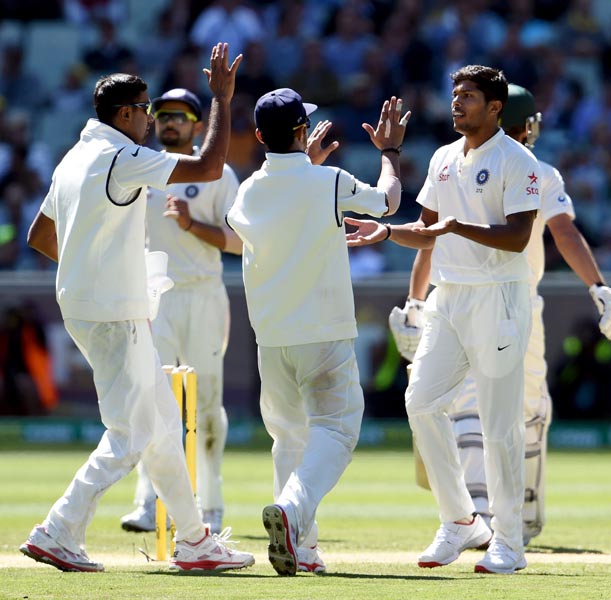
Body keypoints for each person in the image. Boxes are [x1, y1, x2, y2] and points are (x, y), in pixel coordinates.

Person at [20, 43, 254, 573]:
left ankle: (194, 540)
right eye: (146, 109)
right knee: (132, 435)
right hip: (114, 312)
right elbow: (212, 164)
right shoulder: (122, 156)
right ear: (124, 114)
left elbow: (40, 235)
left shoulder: (74, 156)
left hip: (91, 306)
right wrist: (220, 97)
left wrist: (92, 269)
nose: (150, 118)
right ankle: (57, 529)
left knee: (165, 426)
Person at [388, 83, 611, 545]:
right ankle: (475, 516)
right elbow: (429, 235)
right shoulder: (454, 159)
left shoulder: (533, 170)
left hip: (511, 301)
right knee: (456, 406)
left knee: (520, 410)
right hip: (457, 298)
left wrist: (598, 285)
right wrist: (417, 302)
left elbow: (558, 234)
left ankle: (515, 515)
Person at [346, 65, 540, 574]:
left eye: (469, 96)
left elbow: (518, 237)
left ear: (495, 108)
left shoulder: (518, 160)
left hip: (498, 297)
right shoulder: (443, 157)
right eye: (455, 95)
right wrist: (386, 233)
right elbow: (428, 231)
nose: (457, 103)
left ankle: (509, 542)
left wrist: (461, 227)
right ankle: (460, 521)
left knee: (499, 426)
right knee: (421, 402)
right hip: (448, 297)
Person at [226, 88, 408, 576]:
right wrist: (389, 153)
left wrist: (300, 164)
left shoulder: (248, 190)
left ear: (260, 136)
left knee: (288, 438)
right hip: (322, 332)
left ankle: (302, 550)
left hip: (271, 338)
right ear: (304, 132)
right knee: (338, 428)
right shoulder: (328, 180)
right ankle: (292, 512)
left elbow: (273, 205)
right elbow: (388, 202)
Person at [119, 88, 241, 535]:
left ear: (196, 124)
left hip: (204, 295)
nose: (171, 123)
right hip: (155, 298)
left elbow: (240, 242)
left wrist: (192, 224)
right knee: (154, 400)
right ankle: (149, 503)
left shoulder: (218, 174)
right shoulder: (142, 169)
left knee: (206, 403)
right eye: (163, 115)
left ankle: (211, 508)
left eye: (181, 116)